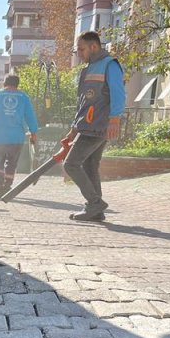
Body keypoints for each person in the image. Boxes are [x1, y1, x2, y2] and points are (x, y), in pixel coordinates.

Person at [62, 31, 126, 221]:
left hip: (99, 125)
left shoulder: (110, 65)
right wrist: (74, 129)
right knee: (90, 164)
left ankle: (94, 203)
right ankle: (96, 211)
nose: (79, 54)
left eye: (82, 49)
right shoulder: (87, 70)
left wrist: (114, 119)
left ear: (94, 47)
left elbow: (118, 93)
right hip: (87, 125)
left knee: (71, 164)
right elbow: (83, 103)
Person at [0, 74, 39, 199]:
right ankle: (7, 185)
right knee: (11, 164)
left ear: (4, 83)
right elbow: (30, 116)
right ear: (17, 84)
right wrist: (34, 132)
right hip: (16, 139)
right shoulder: (24, 97)